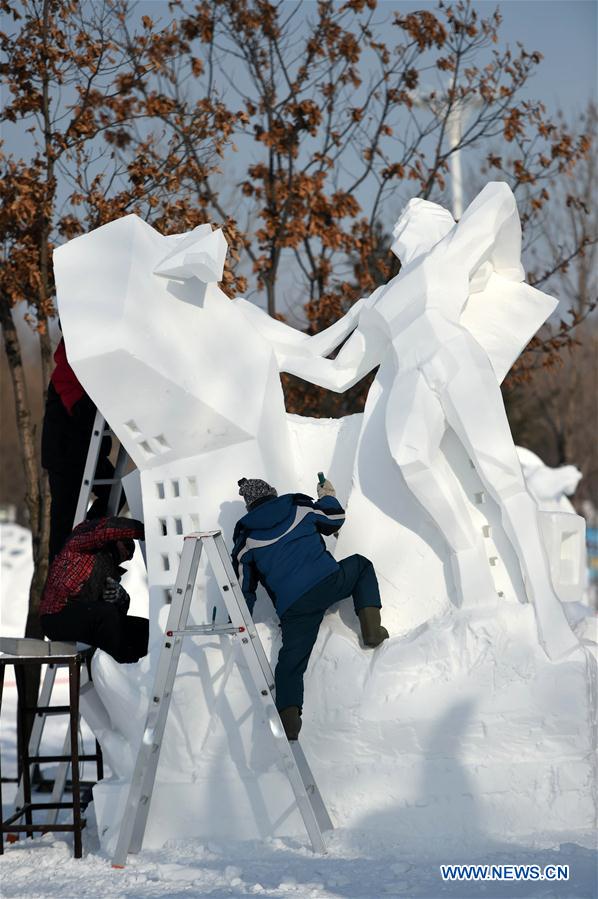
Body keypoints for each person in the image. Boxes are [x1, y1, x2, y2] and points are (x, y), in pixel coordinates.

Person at [231, 476, 389, 740]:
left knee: (290, 664)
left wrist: (237, 619)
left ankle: (289, 722)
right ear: (272, 492)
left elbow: (242, 588)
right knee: (361, 566)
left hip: (295, 607)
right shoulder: (299, 507)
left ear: (249, 506)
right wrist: (327, 494)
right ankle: (372, 630)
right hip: (329, 581)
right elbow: (335, 517)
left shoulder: (246, 541)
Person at [42, 334, 117, 562]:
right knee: (64, 522)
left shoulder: (86, 360)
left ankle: (86, 542)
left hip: (86, 453)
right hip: (65, 456)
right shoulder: (67, 369)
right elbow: (83, 411)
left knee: (116, 492)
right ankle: (60, 585)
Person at [40, 516, 149, 664]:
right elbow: (104, 530)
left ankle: (147, 668)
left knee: (143, 629)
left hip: (85, 617)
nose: (127, 556)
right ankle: (121, 670)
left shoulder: (111, 573)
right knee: (105, 614)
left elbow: (114, 622)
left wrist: (121, 600)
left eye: (130, 556)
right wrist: (143, 529)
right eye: (127, 547)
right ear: (117, 539)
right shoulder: (81, 544)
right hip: (56, 615)